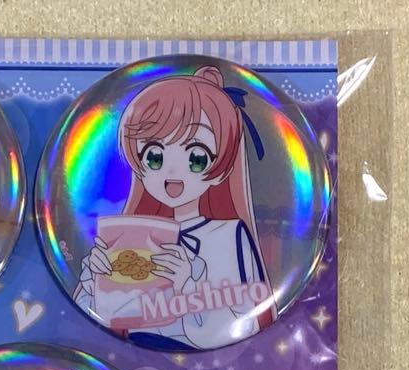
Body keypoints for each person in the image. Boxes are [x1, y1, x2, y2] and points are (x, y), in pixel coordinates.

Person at [76, 67, 275, 351]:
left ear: (221, 170)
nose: (172, 172)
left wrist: (189, 286)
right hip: (130, 353)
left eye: (196, 159)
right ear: (138, 166)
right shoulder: (134, 234)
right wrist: (95, 282)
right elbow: (105, 319)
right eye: (155, 157)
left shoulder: (229, 235)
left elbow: (245, 324)